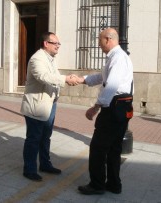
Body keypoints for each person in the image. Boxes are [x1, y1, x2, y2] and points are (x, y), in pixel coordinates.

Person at [76, 28, 134, 195]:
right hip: (121, 106)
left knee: (98, 148)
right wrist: (82, 79)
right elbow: (102, 77)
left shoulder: (118, 58)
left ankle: (97, 184)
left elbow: (112, 86)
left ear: (108, 39)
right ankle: (114, 184)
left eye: (100, 40)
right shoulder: (116, 58)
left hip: (115, 107)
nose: (98, 43)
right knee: (114, 148)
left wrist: (95, 107)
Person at [20, 32, 78, 181]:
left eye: (59, 43)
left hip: (50, 104)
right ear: (46, 43)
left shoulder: (51, 59)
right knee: (33, 138)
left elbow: (53, 76)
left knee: (46, 137)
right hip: (37, 105)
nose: (58, 46)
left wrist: (66, 79)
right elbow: (43, 76)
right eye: (55, 43)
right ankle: (29, 169)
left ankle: (45, 164)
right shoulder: (37, 58)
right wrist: (65, 79)